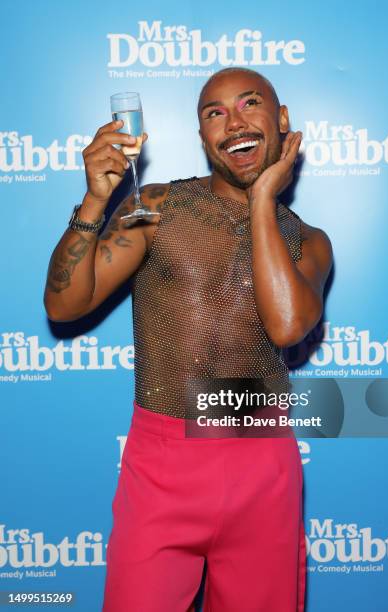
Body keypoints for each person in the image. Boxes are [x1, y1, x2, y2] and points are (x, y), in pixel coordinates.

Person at [44, 67, 332, 612]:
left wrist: (263, 200)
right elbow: (64, 305)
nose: (234, 123)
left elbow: (288, 326)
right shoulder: (154, 207)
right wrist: (92, 204)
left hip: (260, 459)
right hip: (162, 464)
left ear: (282, 120)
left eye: (250, 104)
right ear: (202, 137)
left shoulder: (309, 241)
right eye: (214, 113)